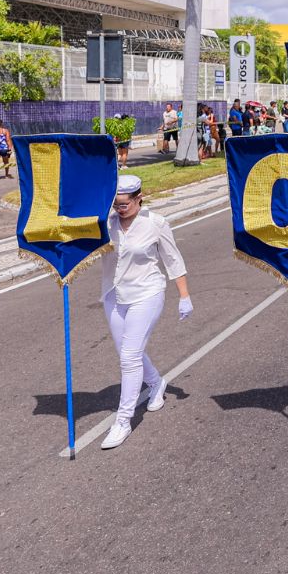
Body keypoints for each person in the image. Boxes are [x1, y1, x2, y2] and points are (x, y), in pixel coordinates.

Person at [99, 174, 193, 450]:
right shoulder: (106, 224)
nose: (120, 209)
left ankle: (123, 420)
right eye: (116, 204)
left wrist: (184, 296)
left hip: (147, 293)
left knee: (129, 356)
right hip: (114, 295)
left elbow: (173, 260)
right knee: (127, 351)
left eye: (124, 204)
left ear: (139, 198)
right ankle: (156, 383)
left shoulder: (155, 223)